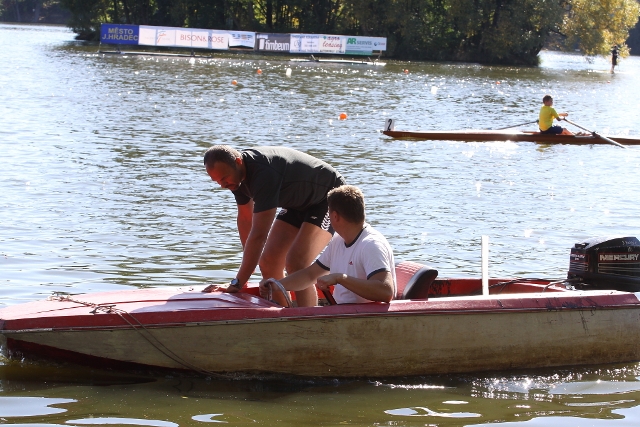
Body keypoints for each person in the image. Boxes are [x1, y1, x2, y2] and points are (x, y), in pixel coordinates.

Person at [202, 145, 345, 307]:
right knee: (268, 262)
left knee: (296, 263)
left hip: (328, 197)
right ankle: (284, 313)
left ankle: (307, 317)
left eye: (224, 178)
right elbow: (245, 219)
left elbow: (259, 235)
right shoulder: (235, 179)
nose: (222, 185)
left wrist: (237, 282)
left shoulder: (264, 174)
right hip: (297, 203)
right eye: (217, 181)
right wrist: (245, 271)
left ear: (238, 161)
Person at [259, 185, 396, 305]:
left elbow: (385, 291)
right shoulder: (338, 241)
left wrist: (340, 278)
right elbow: (310, 275)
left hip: (365, 318)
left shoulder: (371, 245)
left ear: (335, 216)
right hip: (343, 314)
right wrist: (277, 285)